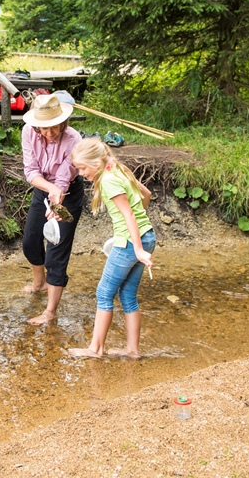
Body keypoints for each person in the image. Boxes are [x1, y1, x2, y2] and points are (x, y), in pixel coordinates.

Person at [68, 138, 155, 358]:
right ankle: (132, 350)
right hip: (148, 236)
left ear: (97, 162)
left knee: (104, 293)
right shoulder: (118, 168)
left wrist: (136, 249)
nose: (81, 173)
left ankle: (95, 349)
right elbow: (146, 195)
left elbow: (128, 215)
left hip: (129, 242)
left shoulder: (108, 180)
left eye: (83, 168)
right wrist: (141, 239)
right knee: (127, 294)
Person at [20, 92, 85, 325]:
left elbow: (62, 181)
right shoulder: (28, 131)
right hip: (42, 188)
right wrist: (49, 191)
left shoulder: (73, 139)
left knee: (57, 249)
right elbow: (31, 172)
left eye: (53, 128)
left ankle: (50, 311)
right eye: (43, 129)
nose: (48, 134)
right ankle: (40, 282)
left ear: (63, 122)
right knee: (30, 241)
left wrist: (57, 200)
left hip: (68, 193)